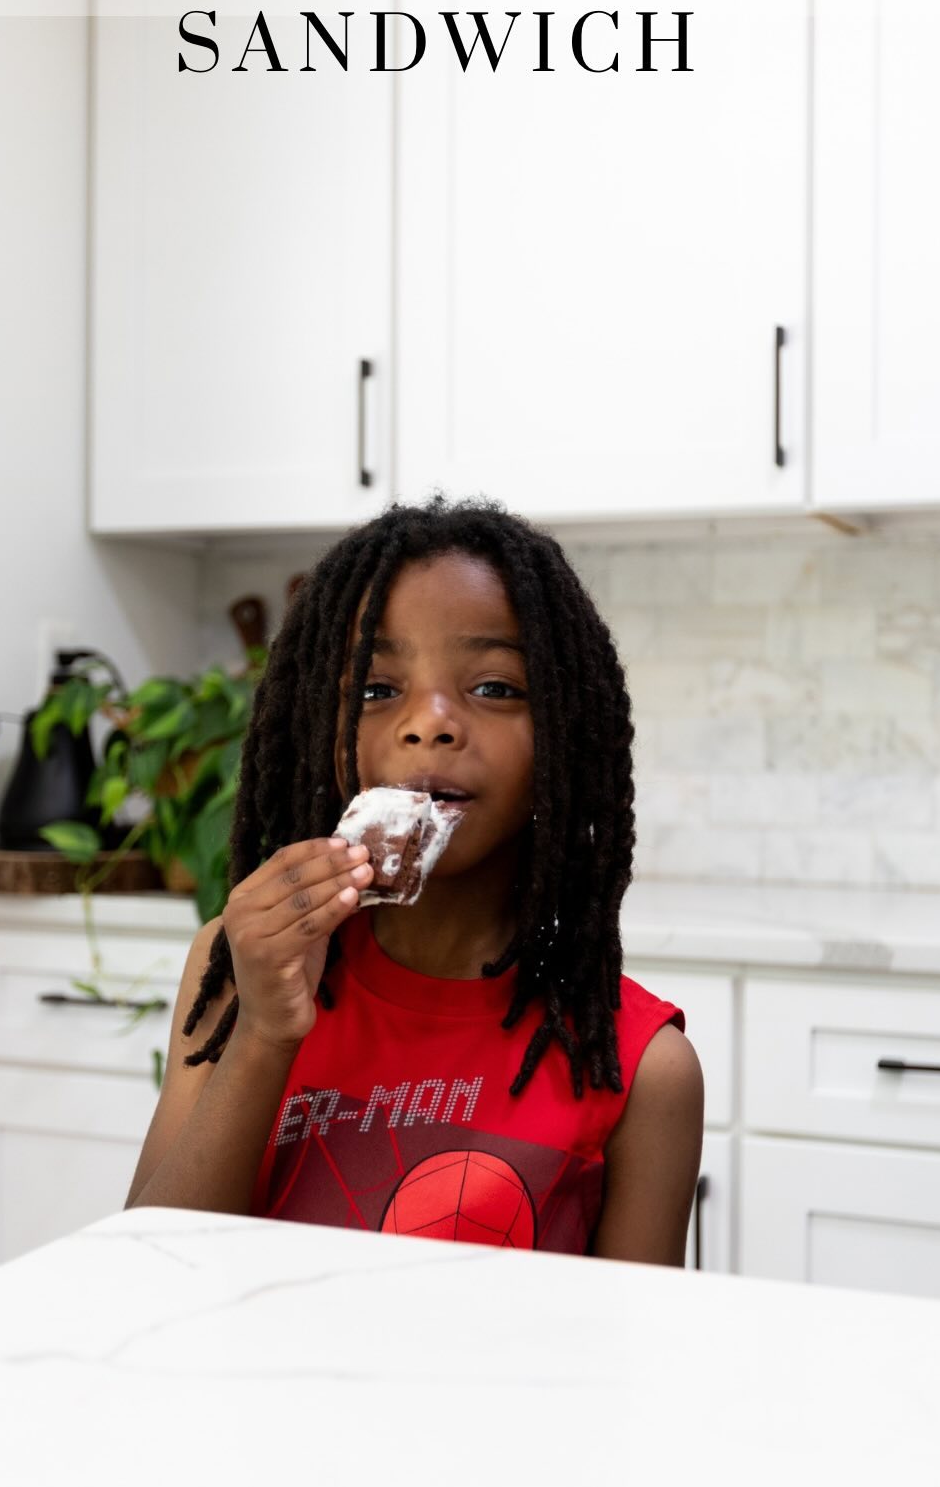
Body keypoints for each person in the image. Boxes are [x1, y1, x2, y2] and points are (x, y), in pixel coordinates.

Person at [125, 495, 704, 1262]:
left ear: (566, 738)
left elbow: (625, 1360)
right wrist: (266, 1033)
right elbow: (146, 1270)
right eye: (375, 690)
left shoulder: (643, 1070)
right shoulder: (239, 970)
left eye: (494, 686)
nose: (429, 722)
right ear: (320, 730)